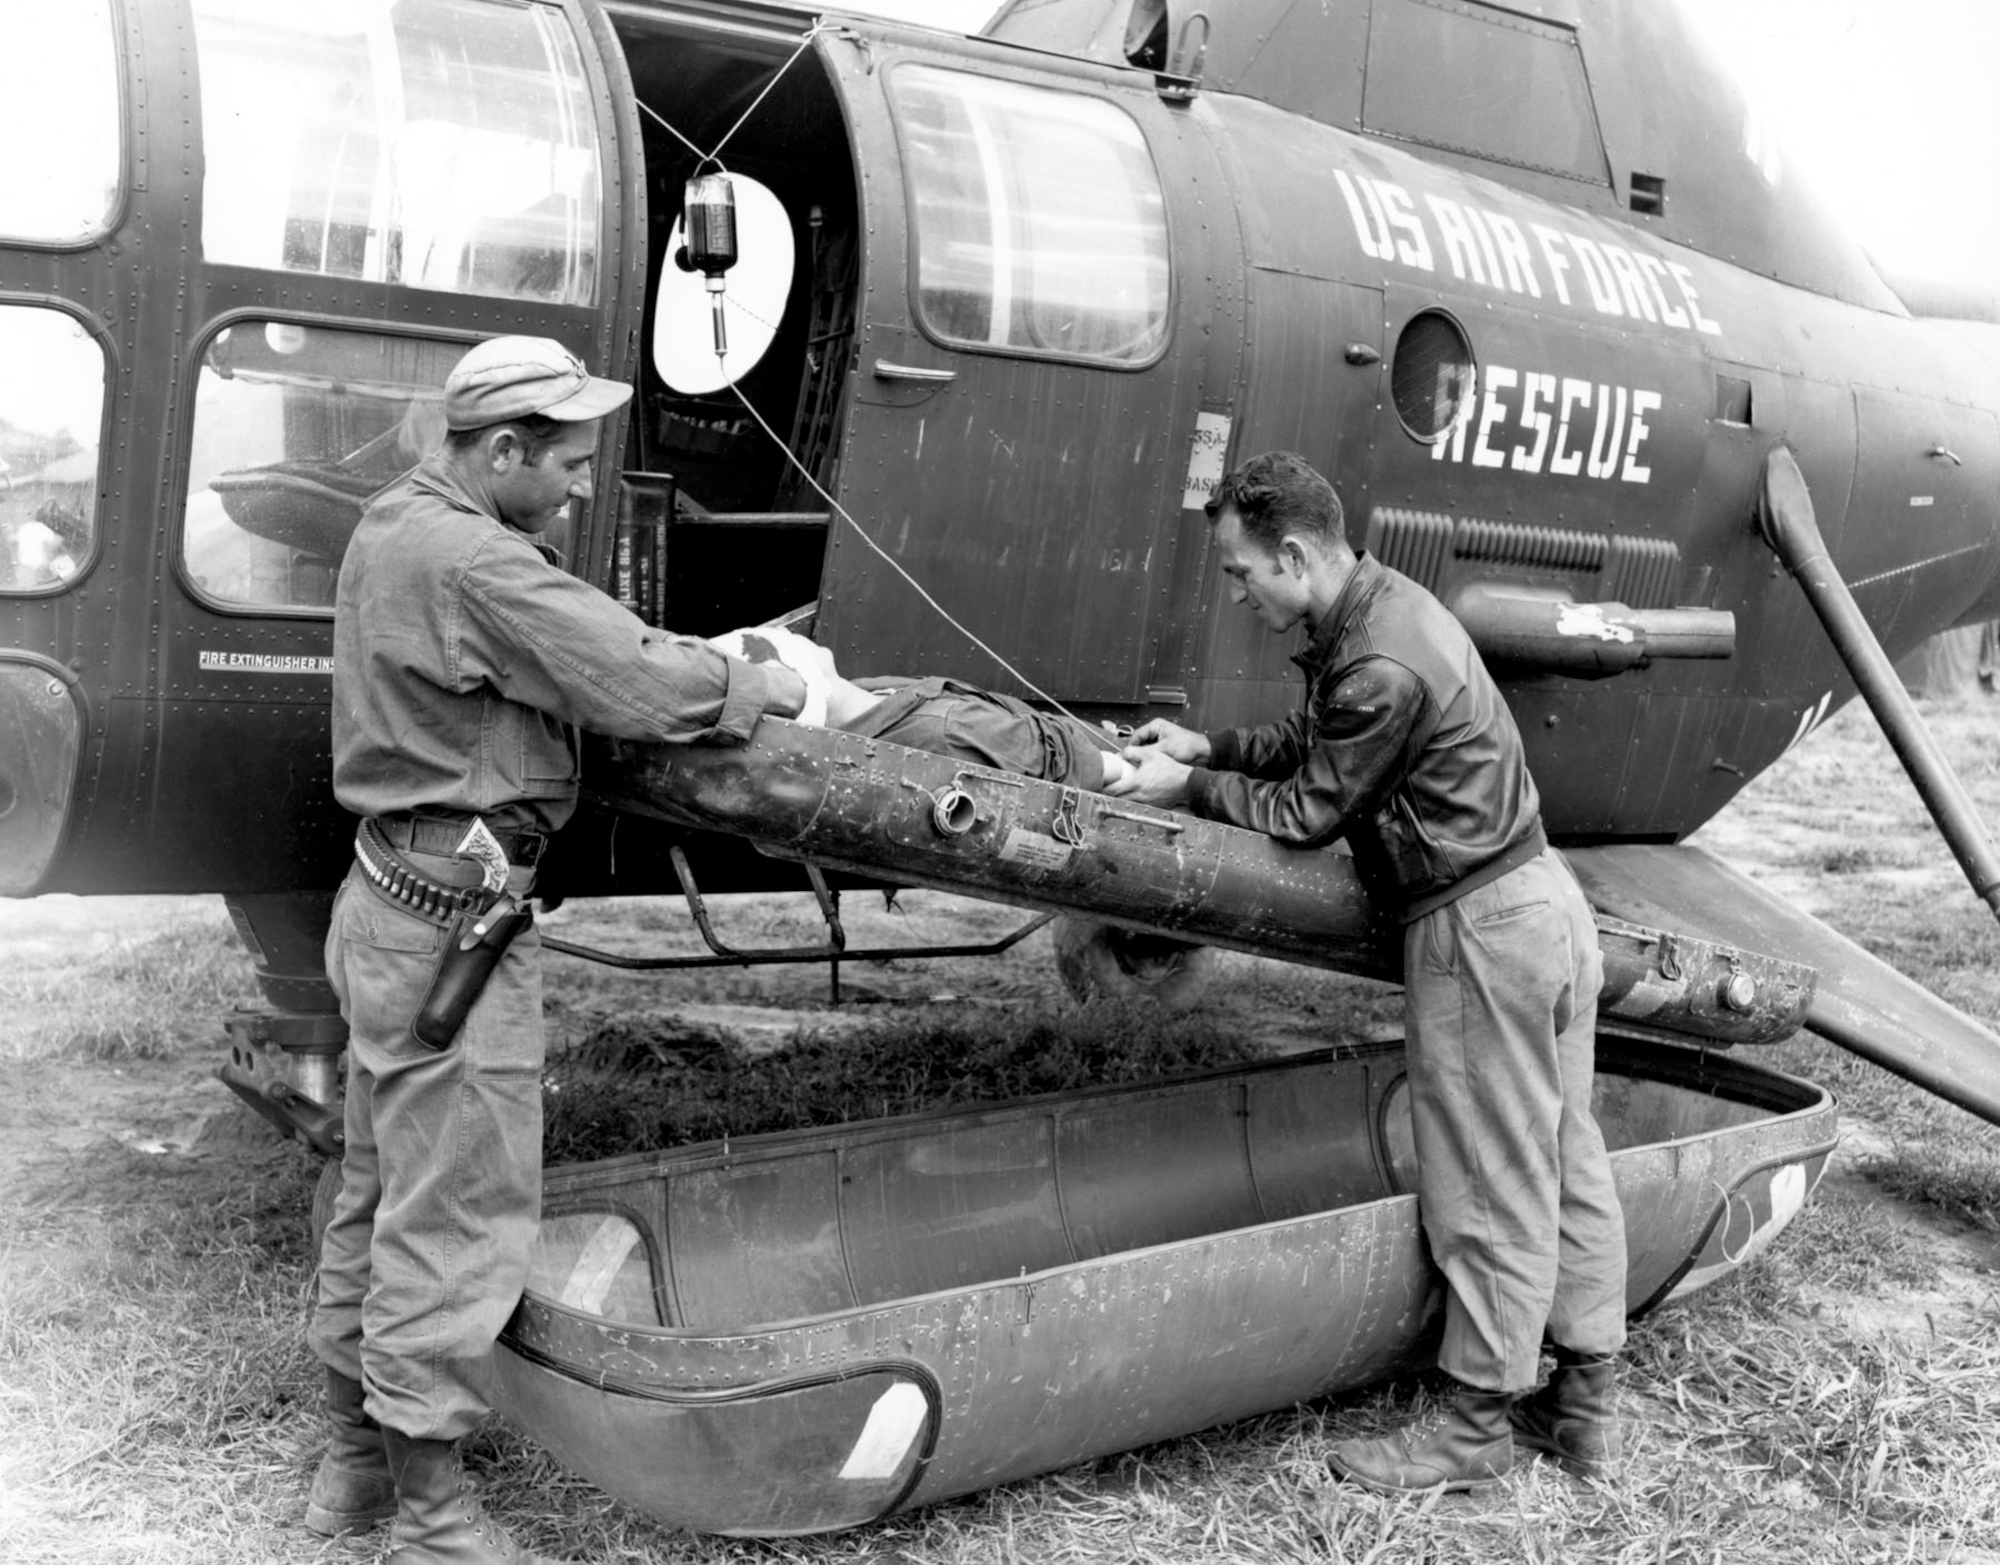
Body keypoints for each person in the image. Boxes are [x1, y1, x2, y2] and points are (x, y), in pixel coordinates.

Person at [309, 336, 811, 1565]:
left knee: (377, 1190)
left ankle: (349, 1468)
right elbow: (632, 678)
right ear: (501, 451)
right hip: (452, 933)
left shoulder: (396, 521)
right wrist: (760, 681)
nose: (584, 487)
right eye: (569, 464)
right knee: (460, 1213)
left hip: (391, 903)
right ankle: (430, 1515)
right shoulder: (475, 558)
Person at [1107, 450, 1627, 1493]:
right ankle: (1584, 1406)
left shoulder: (1379, 659)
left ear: (1293, 555)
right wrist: (1208, 741)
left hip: (1478, 929)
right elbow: (1323, 737)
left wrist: (1185, 785)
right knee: (1565, 1155)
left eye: (1242, 572)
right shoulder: (1383, 610)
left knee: (1484, 1178)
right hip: (1542, 904)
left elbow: (1306, 813)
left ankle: (1475, 1427)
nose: (1238, 592)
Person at [707, 622, 1131, 789]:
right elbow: (1092, 768)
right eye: (785, 639)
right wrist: (1132, 762)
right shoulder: (941, 730)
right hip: (1126, 767)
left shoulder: (872, 697)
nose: (793, 633)